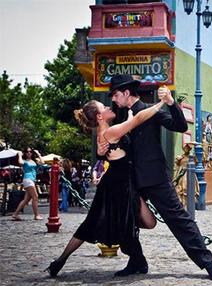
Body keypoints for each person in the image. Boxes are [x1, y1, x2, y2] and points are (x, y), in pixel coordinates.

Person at [106, 74, 212, 280]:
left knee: (178, 219)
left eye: (115, 95)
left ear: (125, 92)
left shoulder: (151, 110)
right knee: (125, 218)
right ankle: (136, 262)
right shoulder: (121, 116)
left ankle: (208, 263)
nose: (113, 99)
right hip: (131, 179)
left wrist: (170, 103)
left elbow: (180, 126)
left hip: (155, 177)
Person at [45, 96, 164, 277]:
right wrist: (162, 103)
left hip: (123, 185)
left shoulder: (107, 133)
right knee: (94, 225)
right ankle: (60, 260)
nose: (109, 107)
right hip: (116, 187)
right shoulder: (110, 133)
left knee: (142, 222)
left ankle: (136, 259)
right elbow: (138, 119)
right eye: (104, 107)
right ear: (100, 116)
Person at [11, 148, 44, 221]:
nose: (29, 153)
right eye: (27, 152)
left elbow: (42, 162)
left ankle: (15, 214)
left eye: (30, 152)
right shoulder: (25, 161)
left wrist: (38, 154)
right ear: (25, 153)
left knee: (26, 199)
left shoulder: (33, 161)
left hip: (32, 180)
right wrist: (19, 154)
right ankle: (36, 215)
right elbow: (20, 162)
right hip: (28, 179)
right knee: (35, 197)